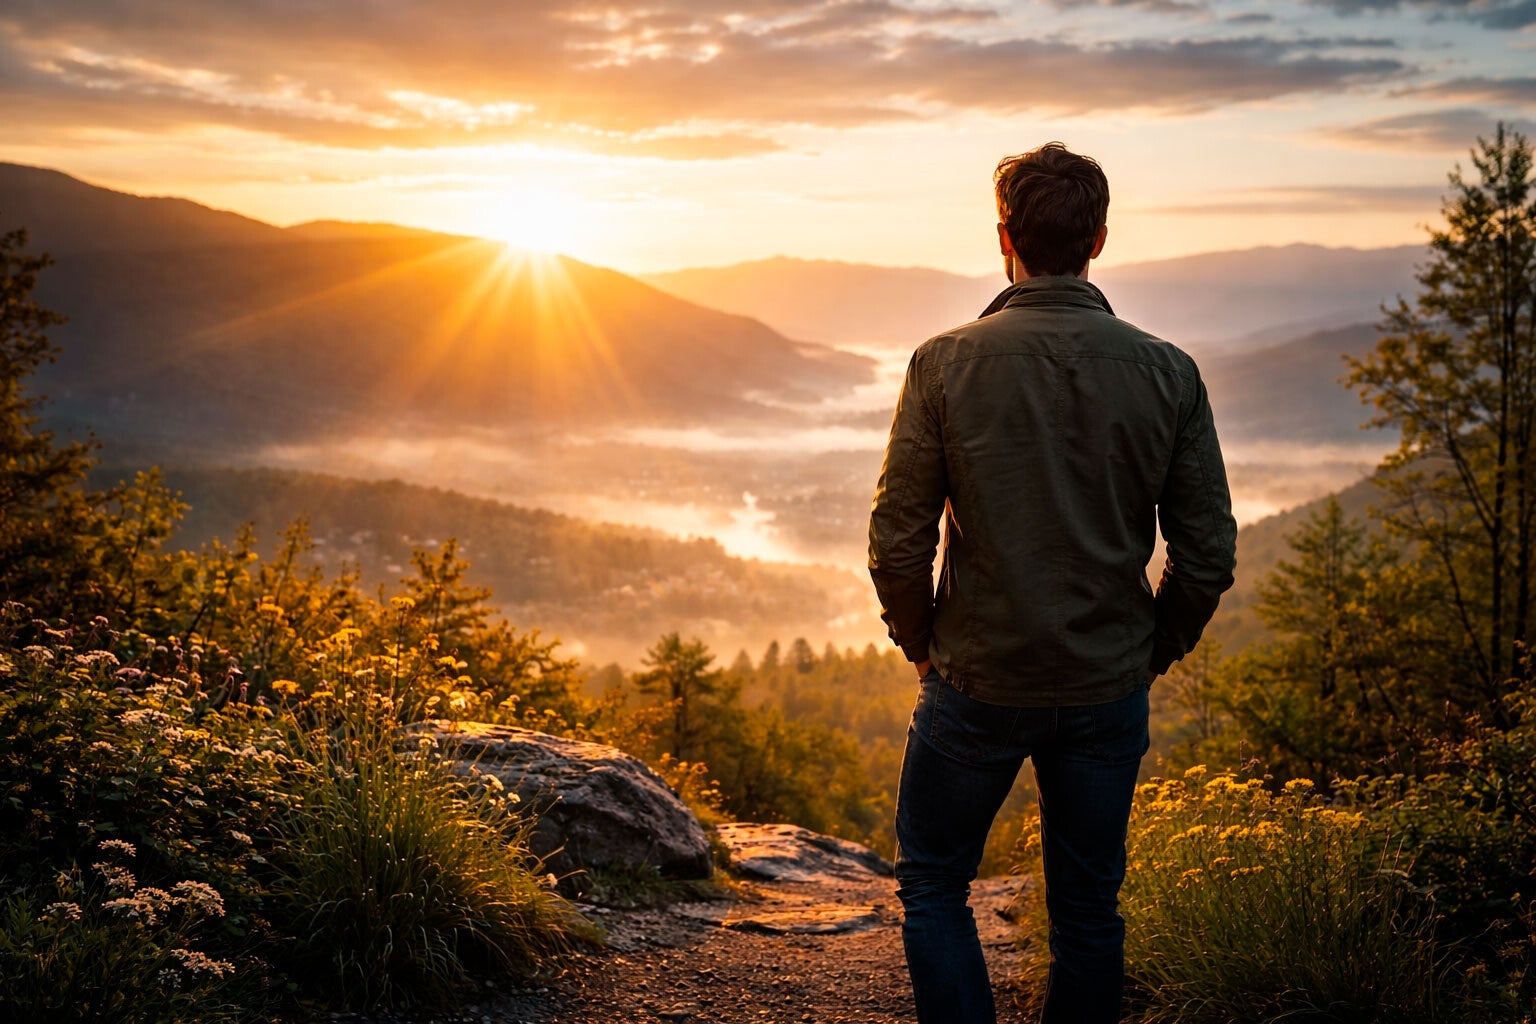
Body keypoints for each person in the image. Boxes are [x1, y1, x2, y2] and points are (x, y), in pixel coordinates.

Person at [867, 142, 1237, 1024]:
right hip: (1108, 685)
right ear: (1100, 238)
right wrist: (1152, 649)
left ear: (1005, 237)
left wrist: (924, 645)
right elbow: (1208, 552)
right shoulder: (1168, 371)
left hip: (976, 681)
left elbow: (896, 542)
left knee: (932, 881)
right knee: (1086, 913)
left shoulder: (944, 362)